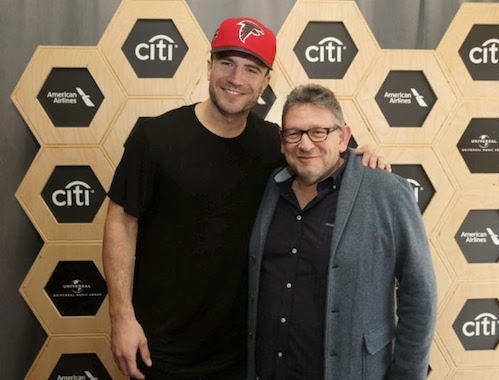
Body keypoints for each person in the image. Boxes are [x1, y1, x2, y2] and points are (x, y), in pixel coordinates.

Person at [103, 18, 387, 380]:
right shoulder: (154, 137)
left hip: (248, 354)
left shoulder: (278, 144)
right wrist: (121, 316)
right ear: (208, 66)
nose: (236, 79)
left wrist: (368, 157)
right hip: (161, 348)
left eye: (251, 69)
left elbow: (328, 149)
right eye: (227, 63)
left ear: (266, 82)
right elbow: (120, 222)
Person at [248, 83, 437, 380]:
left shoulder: (387, 192)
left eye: (318, 132)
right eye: (294, 133)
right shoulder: (270, 187)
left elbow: (420, 294)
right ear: (283, 142)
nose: (306, 144)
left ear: (343, 137)